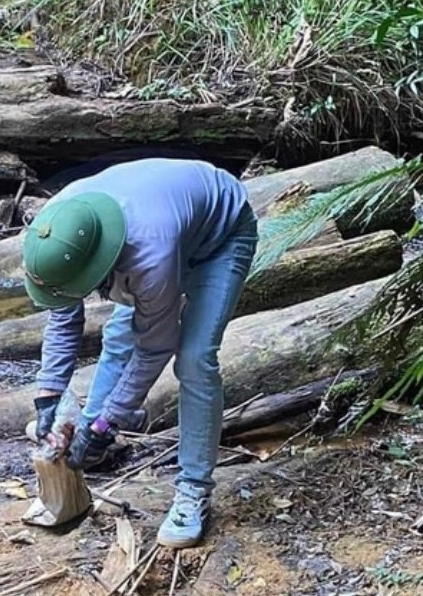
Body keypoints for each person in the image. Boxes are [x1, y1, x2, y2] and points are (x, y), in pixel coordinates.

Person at [23, 158, 259, 548]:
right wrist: (49, 396)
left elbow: (155, 347)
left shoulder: (149, 255)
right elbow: (64, 320)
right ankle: (86, 434)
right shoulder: (53, 235)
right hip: (158, 228)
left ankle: (193, 490)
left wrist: (107, 423)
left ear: (98, 265)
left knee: (195, 358)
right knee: (118, 336)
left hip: (220, 236)